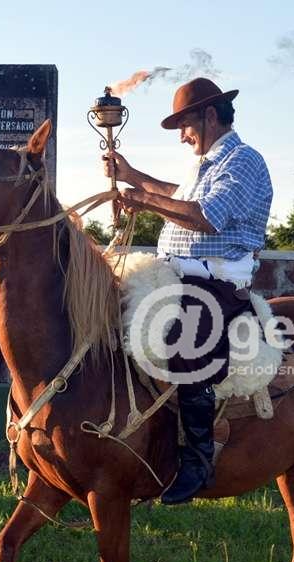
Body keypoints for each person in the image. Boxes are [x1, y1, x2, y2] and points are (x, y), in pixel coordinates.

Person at [104, 77, 273, 504]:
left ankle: (198, 459)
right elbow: (176, 196)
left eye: (184, 125)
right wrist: (133, 177)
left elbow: (205, 216)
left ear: (210, 116)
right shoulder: (208, 163)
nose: (182, 135)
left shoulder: (244, 160)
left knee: (186, 343)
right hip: (178, 274)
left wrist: (142, 200)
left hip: (218, 281)